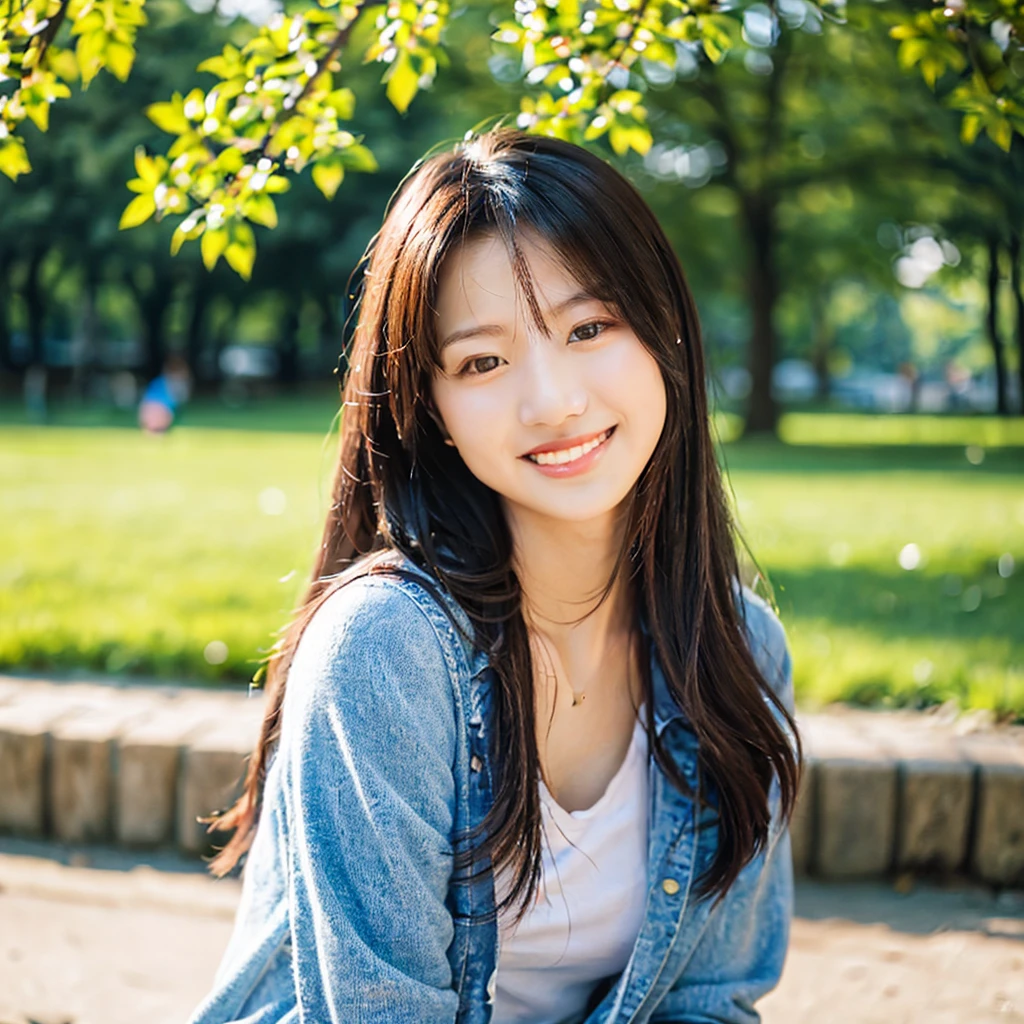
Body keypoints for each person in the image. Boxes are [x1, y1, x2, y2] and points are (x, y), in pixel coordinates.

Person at [187, 128, 801, 1024]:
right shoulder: (386, 653)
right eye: (483, 361)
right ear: (430, 409)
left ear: (665, 330)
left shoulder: (739, 651)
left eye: (590, 327)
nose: (552, 400)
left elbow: (710, 1000)